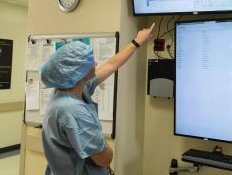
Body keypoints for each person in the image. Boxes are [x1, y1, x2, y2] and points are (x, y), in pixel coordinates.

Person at [40, 24, 155, 175]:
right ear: (78, 73)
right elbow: (104, 159)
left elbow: (111, 65)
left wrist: (137, 42)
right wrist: (105, 145)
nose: (95, 64)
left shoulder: (72, 88)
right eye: (90, 62)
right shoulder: (72, 110)